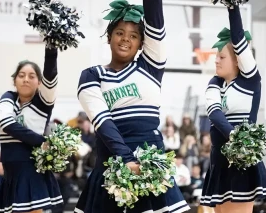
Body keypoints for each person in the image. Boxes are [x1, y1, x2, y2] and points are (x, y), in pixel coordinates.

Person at [74, 0, 190, 212]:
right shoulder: (92, 75)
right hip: (112, 164)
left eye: (134, 36)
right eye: (119, 32)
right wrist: (126, 160)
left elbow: (155, 19)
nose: (126, 39)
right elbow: (102, 120)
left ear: (141, 43)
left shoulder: (151, 66)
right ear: (109, 36)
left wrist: (138, 166)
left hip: (150, 168)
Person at [200, 5, 266, 213]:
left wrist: (233, 7)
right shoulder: (215, 84)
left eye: (221, 57)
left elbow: (239, 40)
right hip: (219, 162)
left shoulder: (250, 81)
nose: (216, 60)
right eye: (216, 56)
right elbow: (214, 113)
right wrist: (233, 134)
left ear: (238, 60)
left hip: (240, 161)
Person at [0, 47, 63, 213]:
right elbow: (7, 123)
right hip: (10, 174)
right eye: (21, 75)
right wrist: (41, 141)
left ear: (39, 82)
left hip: (30, 172)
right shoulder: (8, 99)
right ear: (14, 80)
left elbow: (51, 75)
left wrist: (51, 50)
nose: (25, 79)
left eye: (32, 76)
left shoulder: (43, 102)